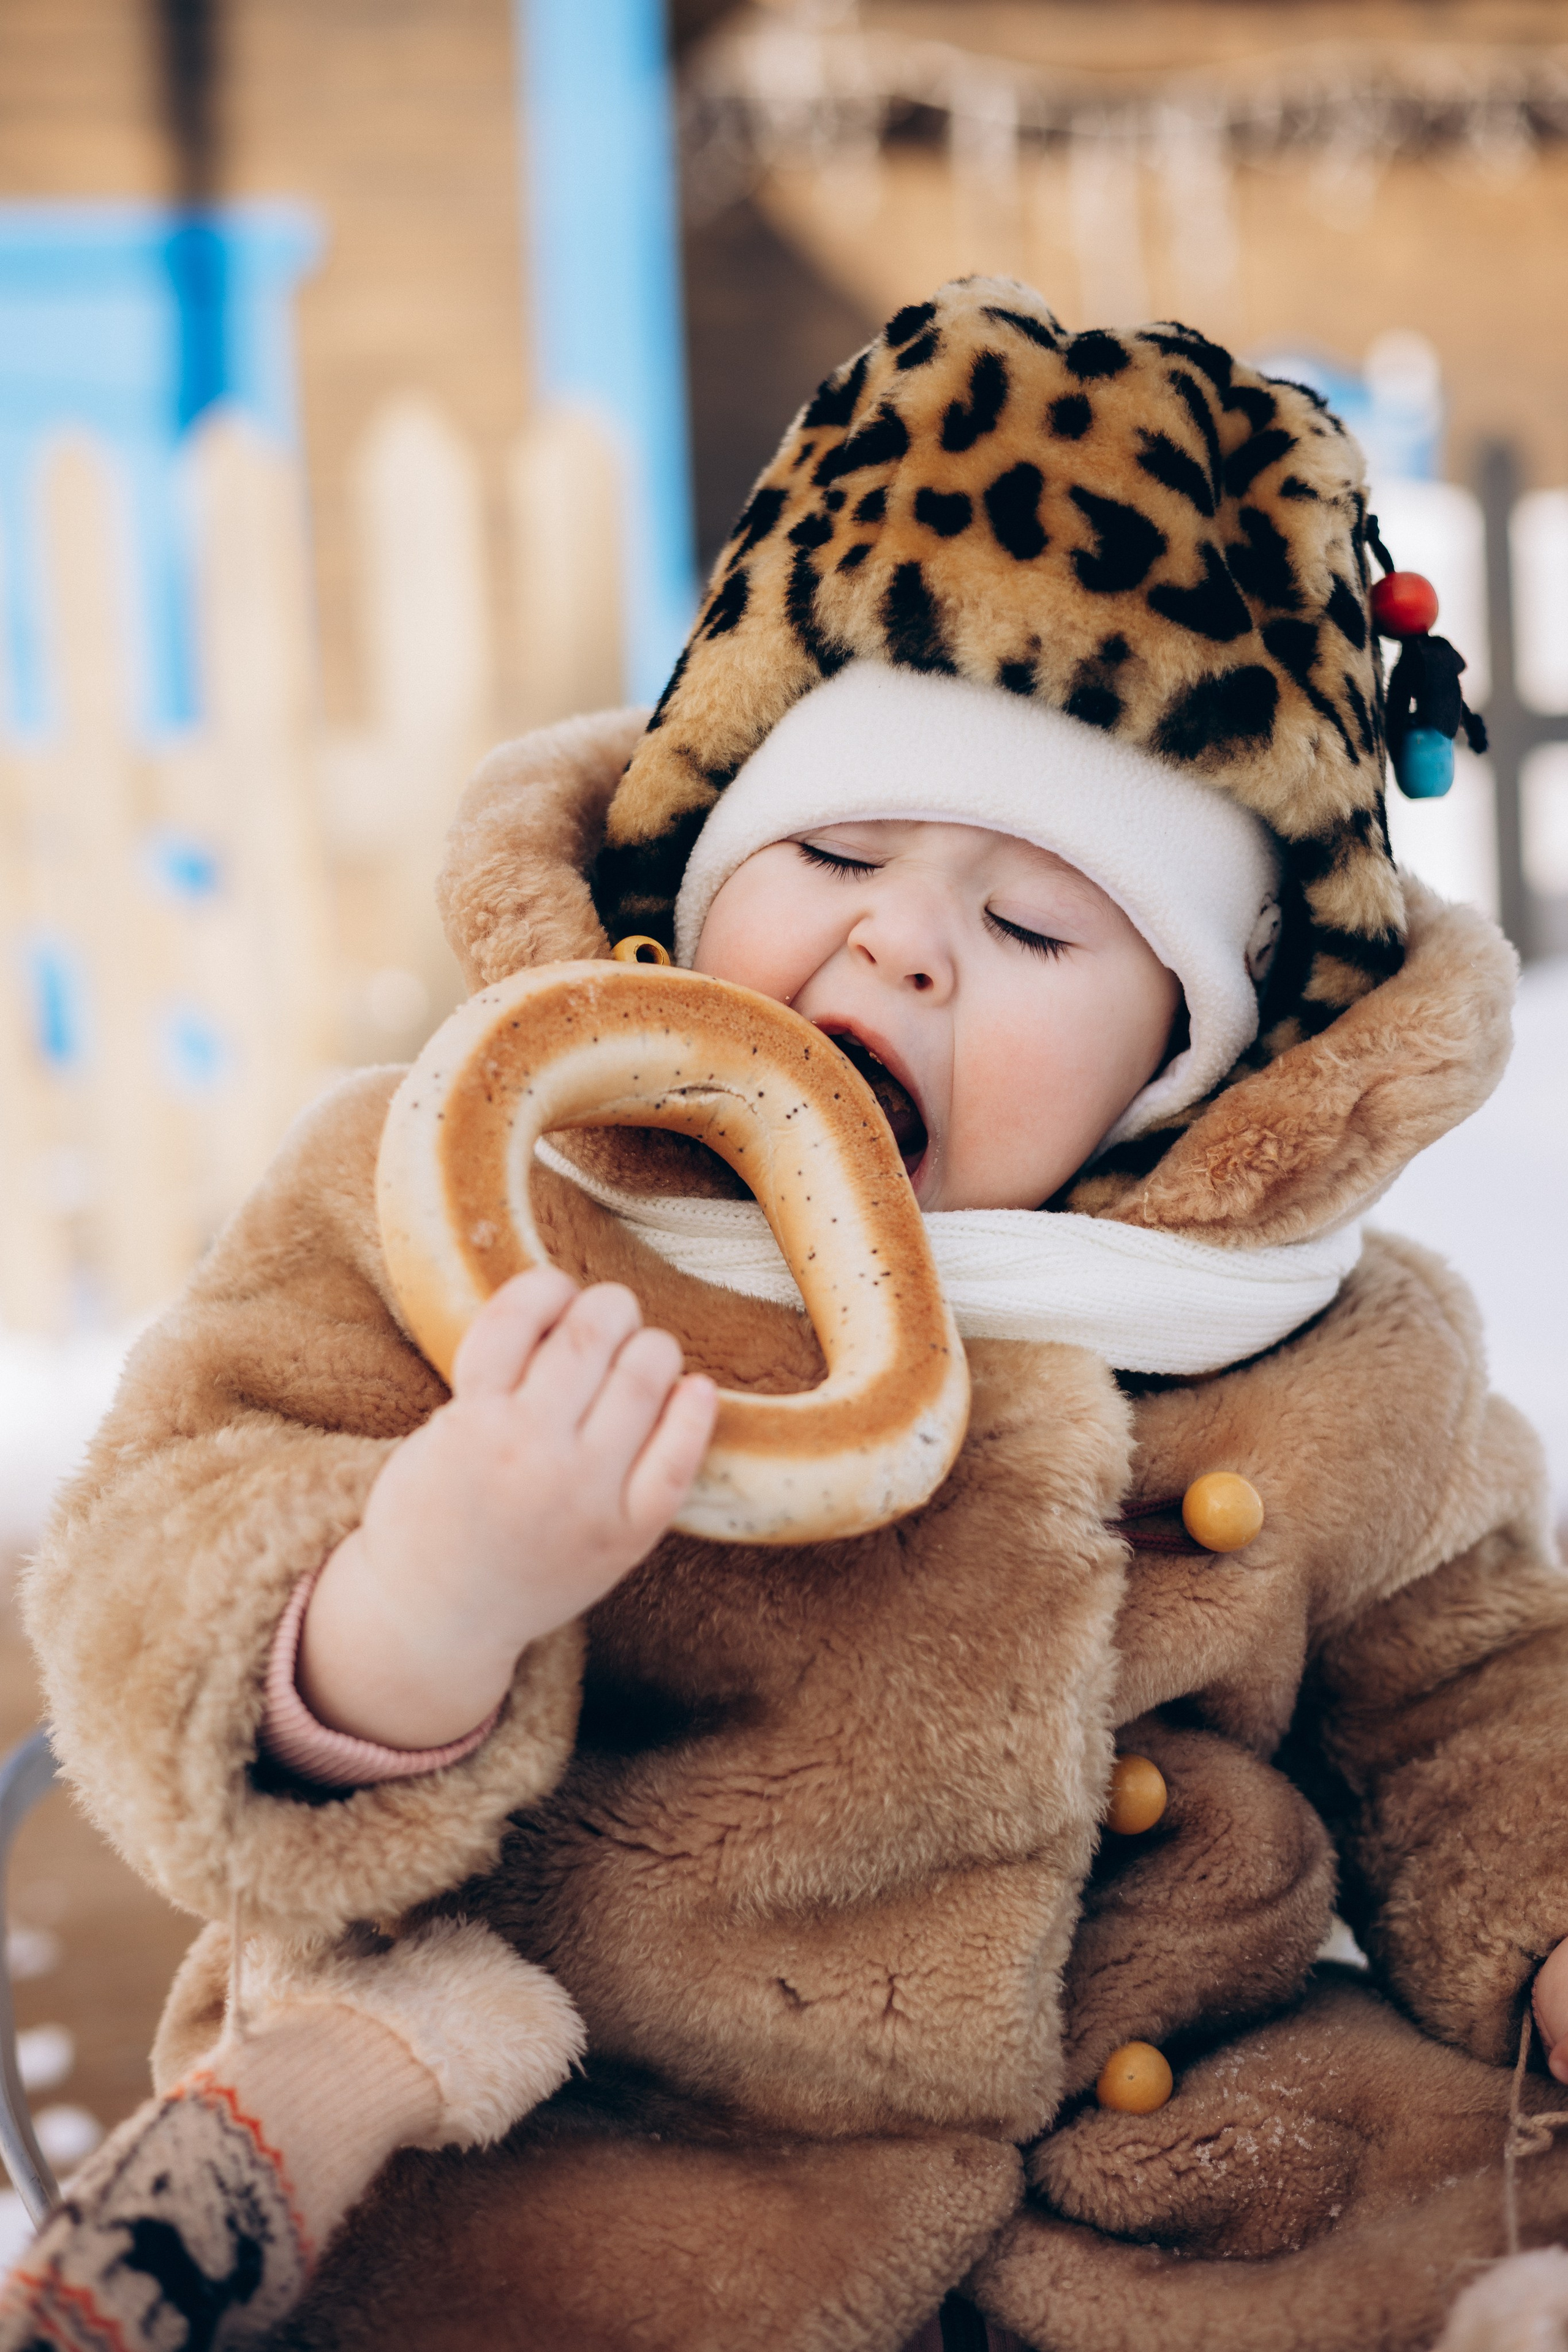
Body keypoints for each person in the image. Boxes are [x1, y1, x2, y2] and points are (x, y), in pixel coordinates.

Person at [23, 279, 1568, 2352]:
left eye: (1032, 925)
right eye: (828, 847)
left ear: (1185, 1066)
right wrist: (416, 1598)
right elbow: (152, 1555)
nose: (898, 944)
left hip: (1197, 2168)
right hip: (612, 2153)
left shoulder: (1311, 1344)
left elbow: (1474, 1695)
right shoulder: (484, 1207)